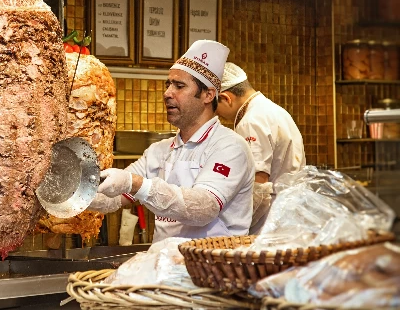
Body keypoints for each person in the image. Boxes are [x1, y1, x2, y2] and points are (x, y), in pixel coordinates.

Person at [87, 40, 256, 242]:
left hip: (214, 267)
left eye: (179, 86)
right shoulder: (159, 151)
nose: (167, 93)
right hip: (165, 265)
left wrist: (136, 184)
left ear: (208, 95)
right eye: (168, 85)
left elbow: (203, 208)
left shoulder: (230, 147)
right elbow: (111, 198)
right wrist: (69, 192)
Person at [216, 62, 306, 233]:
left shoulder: (250, 122)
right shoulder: (274, 110)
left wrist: (236, 226)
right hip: (290, 215)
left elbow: (259, 185)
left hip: (270, 223)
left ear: (226, 98)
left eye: (215, 108)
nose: (218, 115)